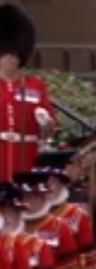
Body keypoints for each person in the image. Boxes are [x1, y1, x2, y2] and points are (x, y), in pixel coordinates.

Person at [0, 5, 55, 182]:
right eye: (5, 53)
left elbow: (48, 128)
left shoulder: (35, 85)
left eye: (15, 54)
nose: (10, 58)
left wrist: (45, 124)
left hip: (25, 157)